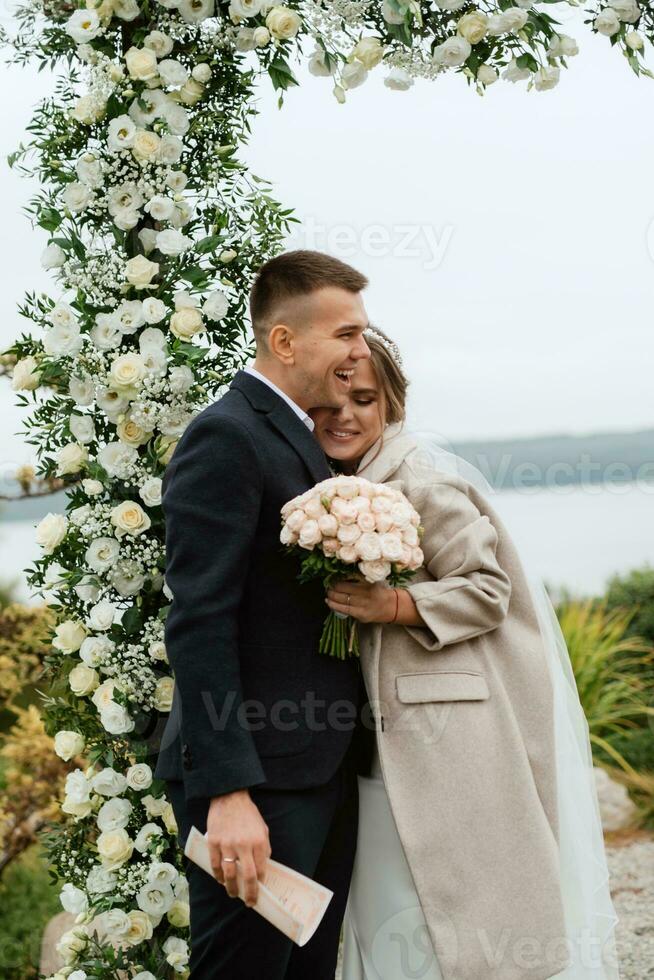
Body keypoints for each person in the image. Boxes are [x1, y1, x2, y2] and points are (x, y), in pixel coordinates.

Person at [309, 326, 621, 980]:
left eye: (363, 400)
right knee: (392, 915)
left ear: (391, 402)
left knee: (441, 920)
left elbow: (488, 589)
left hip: (439, 742)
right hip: (372, 750)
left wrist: (394, 606)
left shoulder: (421, 480)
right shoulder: (330, 486)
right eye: (326, 405)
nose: (344, 417)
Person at [154, 249, 375, 979]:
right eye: (345, 333)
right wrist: (228, 793)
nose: (359, 350)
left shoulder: (294, 436)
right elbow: (199, 619)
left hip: (319, 772)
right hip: (258, 787)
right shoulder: (227, 436)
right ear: (284, 342)